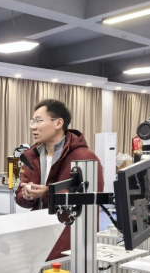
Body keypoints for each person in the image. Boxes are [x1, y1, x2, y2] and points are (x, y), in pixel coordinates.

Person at [16, 99, 104, 260]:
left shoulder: (85, 158)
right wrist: (27, 196)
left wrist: (47, 194)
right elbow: (20, 196)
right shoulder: (33, 157)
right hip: (38, 239)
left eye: (39, 121)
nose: (33, 127)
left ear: (58, 123)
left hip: (69, 242)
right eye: (32, 122)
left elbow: (88, 201)